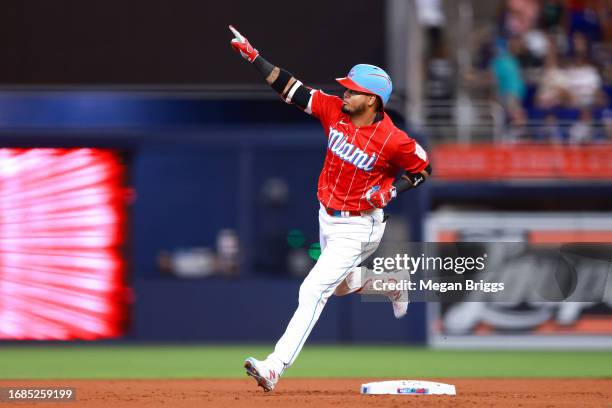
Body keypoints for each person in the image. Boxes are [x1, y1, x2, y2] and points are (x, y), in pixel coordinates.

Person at [228, 26, 431, 392]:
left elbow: (423, 168)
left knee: (312, 290)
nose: (345, 92)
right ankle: (389, 284)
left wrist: (393, 191)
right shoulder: (334, 110)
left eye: (353, 90)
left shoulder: (394, 140)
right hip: (327, 216)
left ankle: (274, 367)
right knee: (338, 287)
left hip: (360, 226)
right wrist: (255, 57)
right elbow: (292, 89)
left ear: (373, 101)